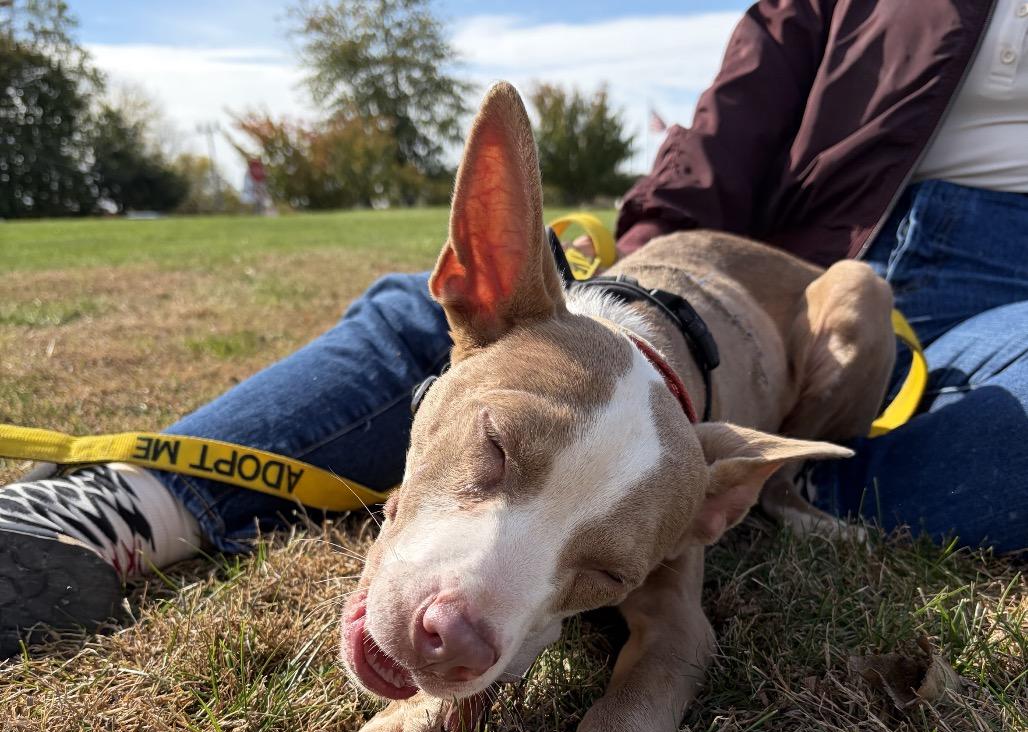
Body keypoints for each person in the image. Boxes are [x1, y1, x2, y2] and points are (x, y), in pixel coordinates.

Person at [1, 0, 1026, 657]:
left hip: (994, 303)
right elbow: (741, 106)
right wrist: (617, 313)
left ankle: (741, 481)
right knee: (472, 327)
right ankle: (126, 502)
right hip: (772, 263)